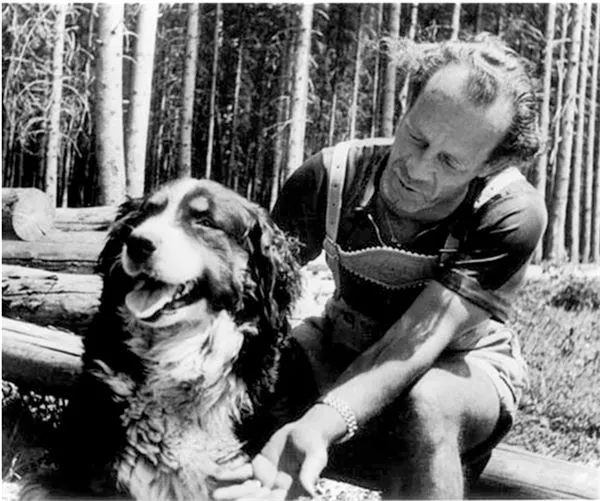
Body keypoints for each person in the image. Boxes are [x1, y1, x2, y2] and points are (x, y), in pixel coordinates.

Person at [213, 35, 547, 500]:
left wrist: (321, 422)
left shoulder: (508, 211)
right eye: (416, 137)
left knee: (427, 404)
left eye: (450, 162)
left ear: (489, 164)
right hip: (340, 344)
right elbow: (251, 294)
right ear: (406, 107)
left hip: (458, 368)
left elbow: (416, 341)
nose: (417, 168)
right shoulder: (332, 178)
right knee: (247, 372)